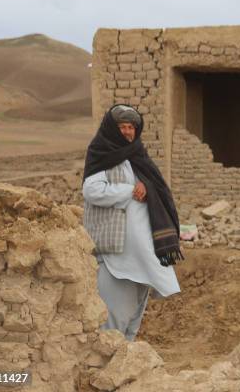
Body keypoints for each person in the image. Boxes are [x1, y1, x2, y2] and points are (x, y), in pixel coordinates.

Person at [82, 104, 183, 341]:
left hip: (144, 253)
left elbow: (156, 188)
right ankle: (106, 371)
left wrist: (146, 186)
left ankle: (125, 368)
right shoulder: (102, 154)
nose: (127, 132)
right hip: (119, 253)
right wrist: (129, 191)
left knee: (133, 321)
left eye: (131, 127)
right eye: (122, 127)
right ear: (112, 129)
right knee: (114, 320)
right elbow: (92, 190)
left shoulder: (137, 155)